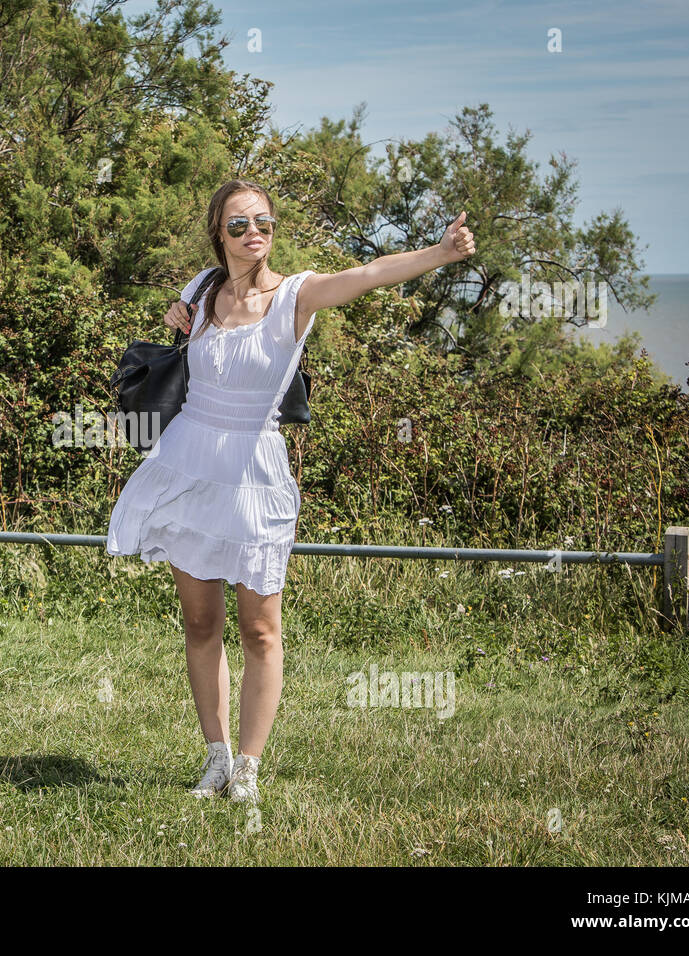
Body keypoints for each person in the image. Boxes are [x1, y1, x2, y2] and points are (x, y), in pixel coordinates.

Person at [106, 179, 475, 802]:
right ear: (217, 233)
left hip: (255, 473)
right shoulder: (199, 289)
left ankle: (249, 768)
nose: (255, 234)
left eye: (265, 224)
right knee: (200, 622)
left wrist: (437, 254)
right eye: (239, 225)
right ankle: (217, 758)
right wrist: (180, 315)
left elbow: (370, 272)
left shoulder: (295, 296)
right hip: (190, 465)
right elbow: (182, 340)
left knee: (261, 630)